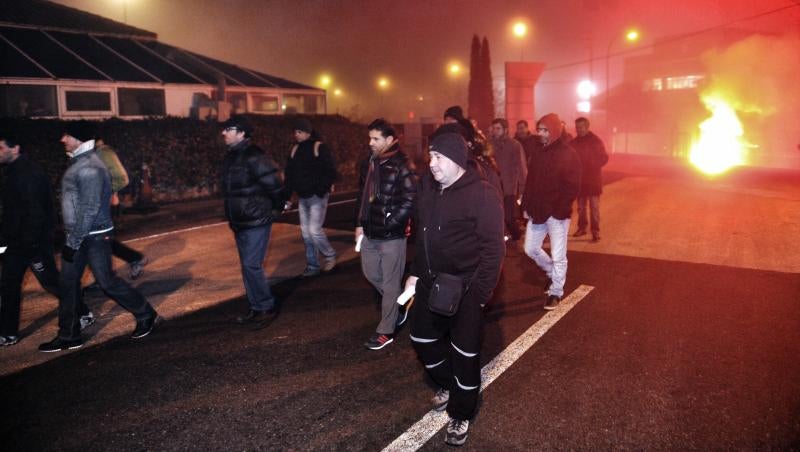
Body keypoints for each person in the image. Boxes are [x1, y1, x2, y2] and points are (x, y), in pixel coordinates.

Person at [405, 131, 504, 446]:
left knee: (465, 354)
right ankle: (450, 384)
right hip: (430, 283)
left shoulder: (483, 194)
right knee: (421, 338)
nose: (431, 164)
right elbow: (421, 239)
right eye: (430, 157)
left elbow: (493, 251)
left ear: (458, 160)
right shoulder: (429, 190)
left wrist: (479, 295)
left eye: (438, 157)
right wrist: (413, 274)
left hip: (465, 289)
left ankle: (461, 413)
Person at [38, 122, 158, 353]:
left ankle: (146, 313)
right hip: (81, 236)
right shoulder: (80, 163)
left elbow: (90, 208)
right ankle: (69, 335)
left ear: (78, 138)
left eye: (67, 135)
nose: (63, 139)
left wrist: (73, 242)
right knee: (68, 284)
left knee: (107, 283)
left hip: (93, 237)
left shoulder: (90, 167)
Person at [0, 134, 93, 345]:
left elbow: (37, 212)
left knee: (51, 281)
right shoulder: (12, 173)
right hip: (16, 242)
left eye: (1, 148)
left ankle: (82, 312)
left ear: (15, 149)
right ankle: (7, 332)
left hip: (33, 243)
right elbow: (13, 211)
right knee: (9, 285)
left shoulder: (29, 174)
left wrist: (31, 243)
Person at [355, 119, 417, 350]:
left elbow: (411, 198)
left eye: (375, 138)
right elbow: (363, 196)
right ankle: (400, 302)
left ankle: (386, 330)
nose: (370, 142)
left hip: (392, 235)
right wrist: (359, 224)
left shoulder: (402, 164)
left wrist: (392, 221)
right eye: (370, 138)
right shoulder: (370, 161)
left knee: (390, 284)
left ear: (390, 140)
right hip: (370, 232)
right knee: (371, 273)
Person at [221, 115, 286, 324]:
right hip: (239, 221)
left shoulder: (255, 156)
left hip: (256, 219)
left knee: (251, 265)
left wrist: (276, 209)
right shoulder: (230, 157)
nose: (224, 132)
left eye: (229, 129)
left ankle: (266, 306)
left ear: (241, 133)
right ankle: (255, 306)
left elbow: (275, 184)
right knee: (247, 266)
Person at [520, 113, 581, 310]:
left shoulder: (568, 153)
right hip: (537, 211)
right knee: (530, 249)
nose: (541, 134)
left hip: (557, 215)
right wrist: (526, 207)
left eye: (545, 130)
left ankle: (556, 292)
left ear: (554, 131)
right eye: (539, 130)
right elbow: (530, 182)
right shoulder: (537, 152)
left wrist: (560, 210)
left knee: (558, 255)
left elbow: (572, 186)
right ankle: (551, 273)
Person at [284, 118, 338, 277]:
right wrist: (287, 197)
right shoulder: (294, 150)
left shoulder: (319, 147)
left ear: (307, 132)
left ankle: (330, 256)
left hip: (316, 197)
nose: (296, 135)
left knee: (314, 230)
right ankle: (312, 265)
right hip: (302, 197)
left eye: (299, 132)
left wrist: (321, 190)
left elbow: (330, 171)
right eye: (295, 132)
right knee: (306, 233)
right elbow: (290, 176)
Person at [570, 117, 609, 242]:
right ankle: (582, 228)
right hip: (580, 181)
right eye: (577, 127)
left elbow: (604, 157)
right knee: (581, 208)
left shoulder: (595, 141)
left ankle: (595, 231)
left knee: (594, 208)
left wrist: (593, 165)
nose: (578, 130)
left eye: (581, 127)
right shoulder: (574, 143)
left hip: (593, 180)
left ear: (587, 127)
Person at [489, 118, 527, 243]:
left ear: (505, 130)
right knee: (497, 217)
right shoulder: (489, 145)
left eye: (498, 128)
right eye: (494, 128)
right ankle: (504, 240)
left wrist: (522, 189)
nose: (495, 131)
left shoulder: (514, 145)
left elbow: (521, 168)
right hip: (493, 187)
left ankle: (516, 235)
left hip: (509, 188)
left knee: (509, 217)